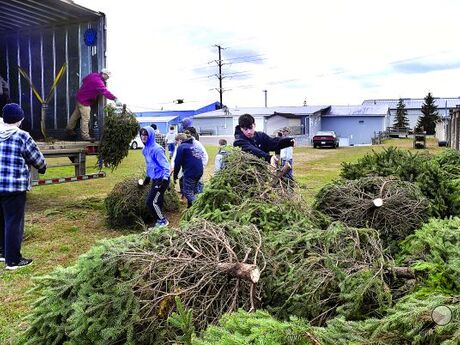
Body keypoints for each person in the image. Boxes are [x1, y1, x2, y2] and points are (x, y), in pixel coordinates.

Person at [0, 103, 47, 270]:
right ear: (20, 119)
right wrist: (42, 167)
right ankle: (13, 261)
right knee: (14, 222)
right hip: (14, 187)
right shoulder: (22, 136)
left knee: (2, 220)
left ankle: (3, 252)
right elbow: (37, 159)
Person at [66, 69, 120, 141]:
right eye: (108, 76)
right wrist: (115, 99)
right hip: (85, 101)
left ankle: (69, 129)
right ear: (104, 74)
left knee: (76, 115)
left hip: (79, 97)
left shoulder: (93, 75)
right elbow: (105, 92)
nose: (108, 78)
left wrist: (89, 88)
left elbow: (84, 80)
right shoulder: (99, 82)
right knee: (85, 119)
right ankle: (85, 136)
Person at [138, 126, 170, 228]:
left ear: (151, 135)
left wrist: (164, 180)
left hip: (162, 179)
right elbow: (149, 165)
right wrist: (147, 177)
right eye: (142, 134)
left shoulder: (157, 149)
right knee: (158, 201)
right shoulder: (145, 150)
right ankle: (158, 221)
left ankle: (162, 221)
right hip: (155, 178)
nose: (143, 137)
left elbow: (166, 166)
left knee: (151, 202)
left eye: (146, 134)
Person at [173, 131, 204, 208]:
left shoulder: (182, 147)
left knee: (187, 192)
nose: (177, 145)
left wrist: (175, 175)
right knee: (193, 190)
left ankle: (199, 207)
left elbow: (177, 163)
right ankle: (190, 207)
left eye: (177, 142)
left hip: (190, 172)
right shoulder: (194, 145)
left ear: (180, 140)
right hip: (199, 171)